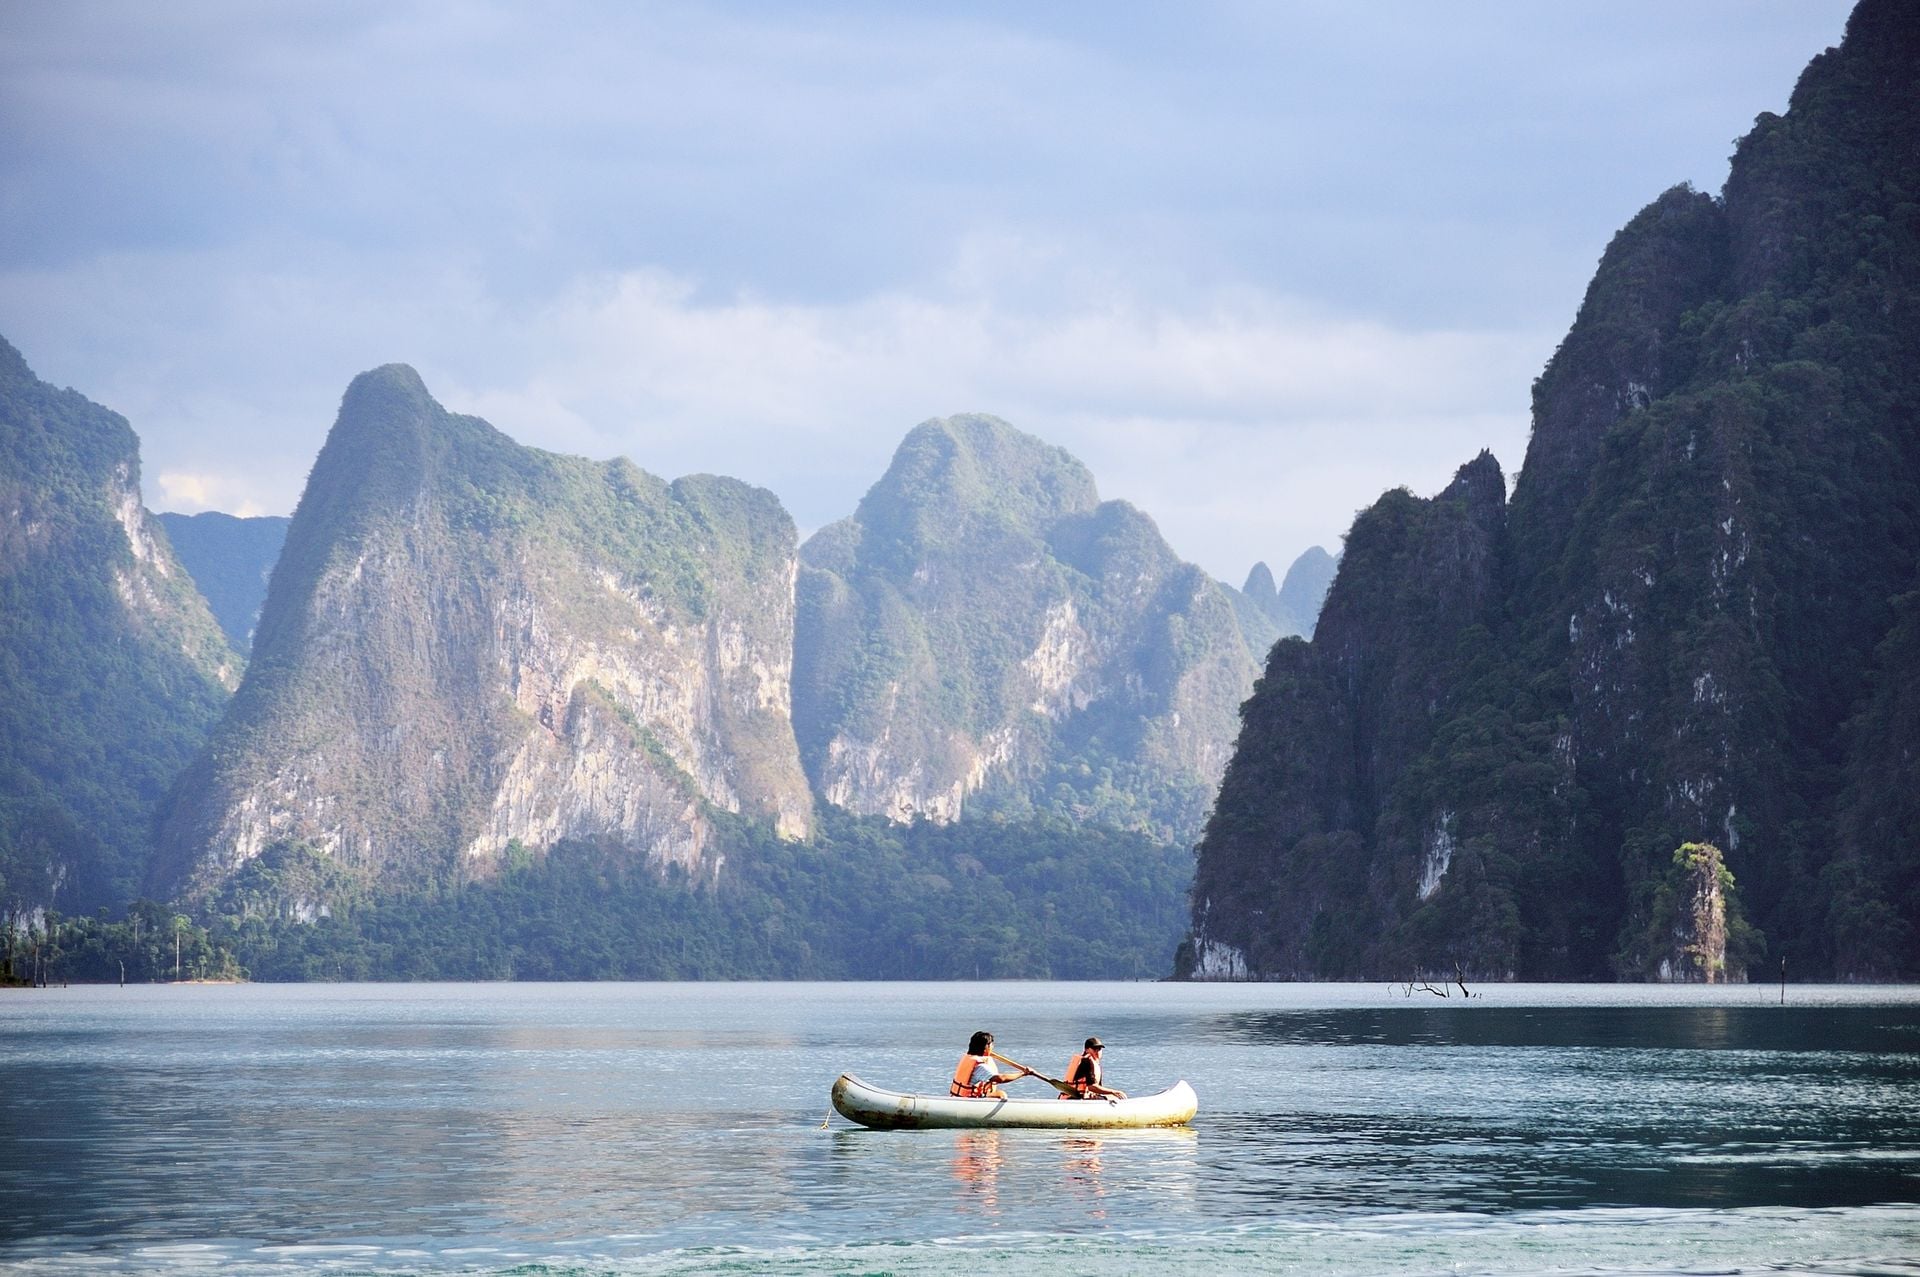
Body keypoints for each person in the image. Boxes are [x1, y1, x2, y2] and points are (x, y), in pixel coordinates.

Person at [951, 1030, 1030, 1098]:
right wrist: (1022, 1074)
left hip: (961, 1097)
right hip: (969, 1100)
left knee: (1000, 1094)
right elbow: (1000, 1078)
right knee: (1002, 1094)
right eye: (991, 1045)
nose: (993, 1047)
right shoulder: (979, 1066)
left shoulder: (969, 1058)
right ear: (986, 1047)